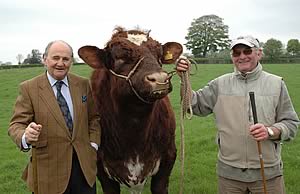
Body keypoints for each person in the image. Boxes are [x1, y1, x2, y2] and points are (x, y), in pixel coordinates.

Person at [176, 35, 299, 194]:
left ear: (259, 53)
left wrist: (270, 131)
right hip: (229, 176)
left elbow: (290, 122)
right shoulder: (219, 84)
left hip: (267, 175)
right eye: (236, 53)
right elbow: (193, 105)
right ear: (232, 57)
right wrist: (184, 79)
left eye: (247, 51)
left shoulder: (276, 83)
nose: (242, 56)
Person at [8, 40, 101, 194]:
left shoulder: (83, 84)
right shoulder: (29, 88)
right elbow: (16, 124)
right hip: (48, 171)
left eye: (65, 59)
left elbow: (94, 118)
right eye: (55, 58)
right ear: (45, 59)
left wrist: (93, 145)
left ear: (71, 61)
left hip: (84, 169)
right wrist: (25, 135)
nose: (60, 63)